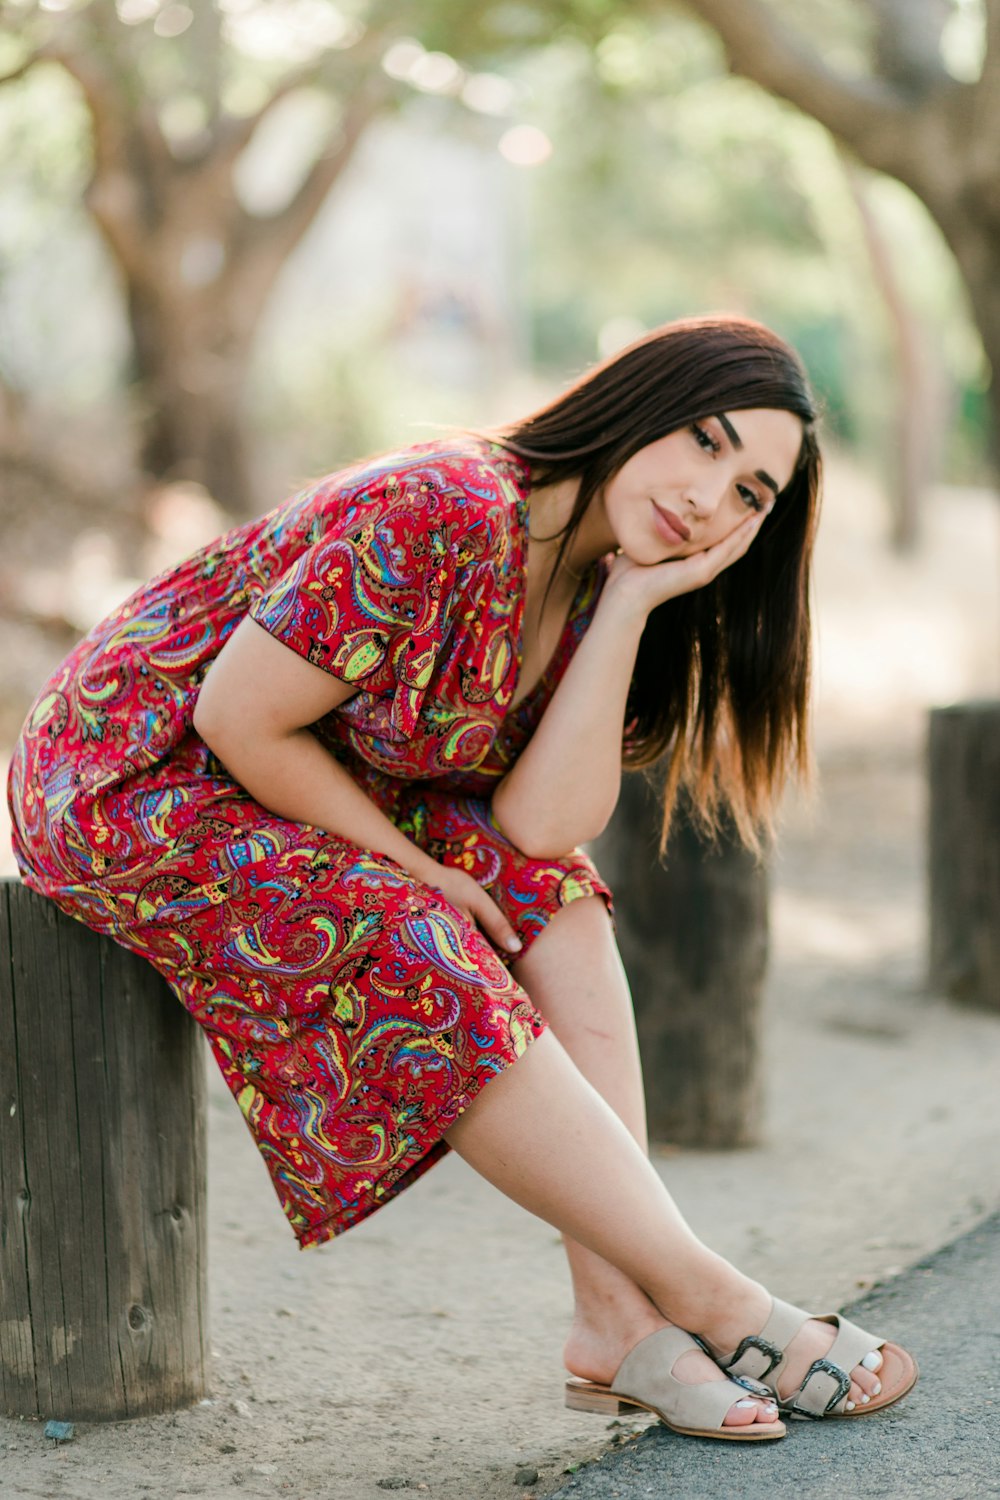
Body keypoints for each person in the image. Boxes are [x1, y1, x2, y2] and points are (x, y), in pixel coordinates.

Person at [7, 314, 916, 1443]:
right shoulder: (446, 506)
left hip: (302, 770)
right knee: (407, 924)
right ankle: (715, 1297)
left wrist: (630, 603)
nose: (707, 494)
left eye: (750, 494)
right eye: (703, 439)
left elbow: (538, 828)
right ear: (638, 405)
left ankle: (614, 1321)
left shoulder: (605, 581)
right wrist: (406, 865)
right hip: (138, 773)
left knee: (553, 898)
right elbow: (235, 714)